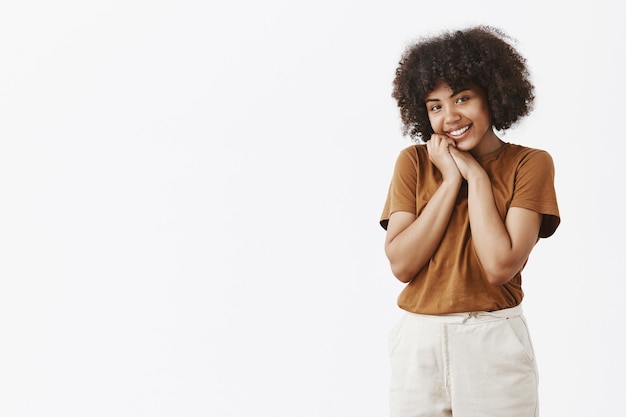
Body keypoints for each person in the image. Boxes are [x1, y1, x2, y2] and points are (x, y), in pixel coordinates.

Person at [379, 26, 560, 417]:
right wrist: (450, 180)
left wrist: (476, 177)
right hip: (418, 340)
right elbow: (401, 263)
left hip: (492, 339)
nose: (450, 117)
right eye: (435, 106)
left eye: (463, 98)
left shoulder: (529, 164)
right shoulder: (412, 162)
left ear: (492, 96)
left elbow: (499, 265)